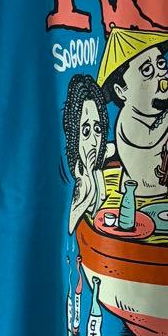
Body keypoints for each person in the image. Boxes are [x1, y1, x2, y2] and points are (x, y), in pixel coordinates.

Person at [97, 25, 168, 198]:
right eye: (147, 70)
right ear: (121, 91)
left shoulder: (156, 112)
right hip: (140, 196)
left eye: (161, 64)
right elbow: (150, 138)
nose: (160, 74)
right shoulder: (127, 119)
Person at [62, 73, 109, 234]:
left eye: (98, 129)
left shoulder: (97, 172)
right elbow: (69, 228)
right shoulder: (75, 180)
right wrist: (88, 187)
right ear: (74, 133)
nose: (94, 141)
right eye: (86, 131)